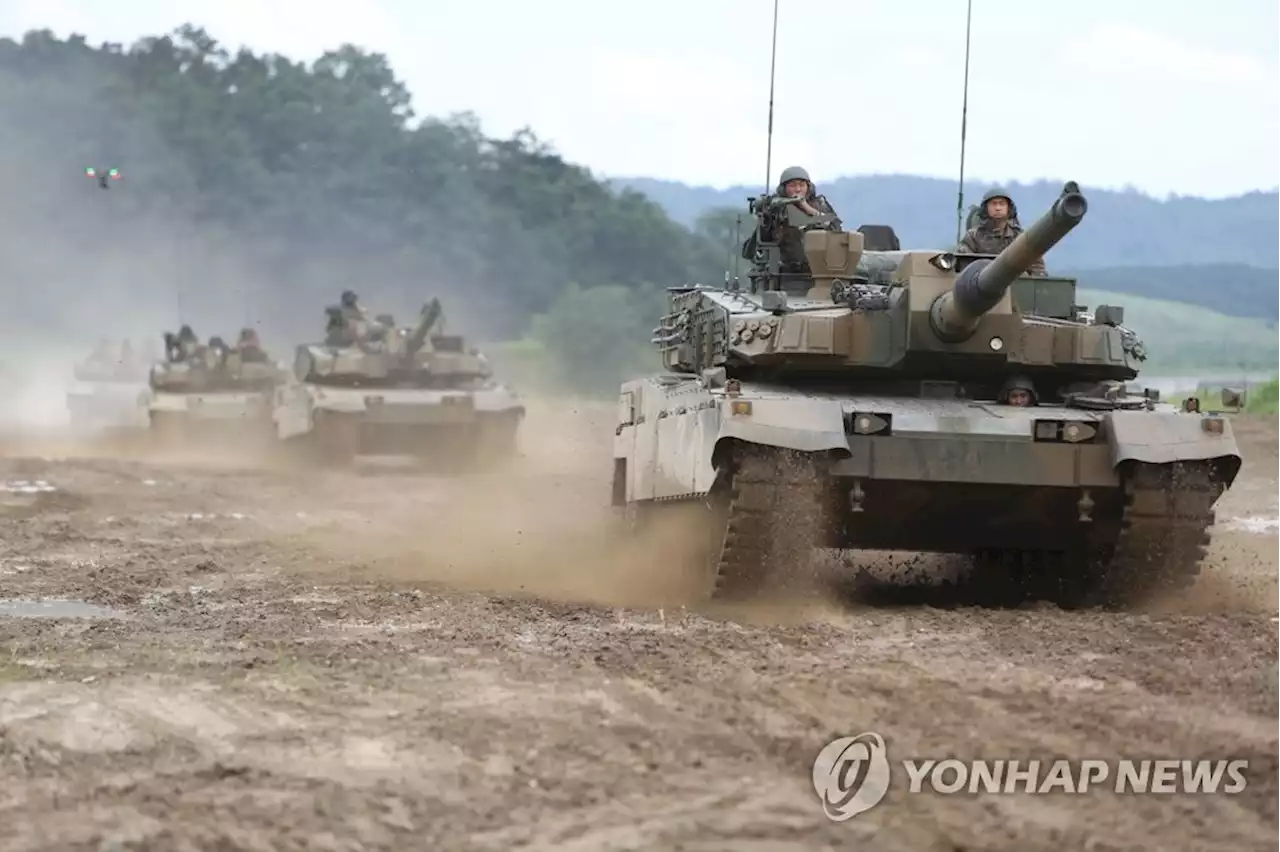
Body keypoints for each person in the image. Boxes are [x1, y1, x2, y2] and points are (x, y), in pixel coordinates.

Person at [741, 166, 843, 273]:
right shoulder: (777, 209)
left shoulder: (820, 205)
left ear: (809, 187)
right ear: (783, 189)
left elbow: (836, 229)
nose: (798, 189)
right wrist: (767, 220)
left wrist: (807, 208)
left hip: (818, 273)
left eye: (802, 185)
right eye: (792, 185)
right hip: (784, 274)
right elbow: (750, 251)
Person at [956, 188, 1047, 276]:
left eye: (1002, 204)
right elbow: (964, 267)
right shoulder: (973, 236)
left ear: (1009, 208)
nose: (998, 208)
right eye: (993, 204)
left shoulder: (1019, 236)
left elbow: (1037, 267)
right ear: (986, 208)